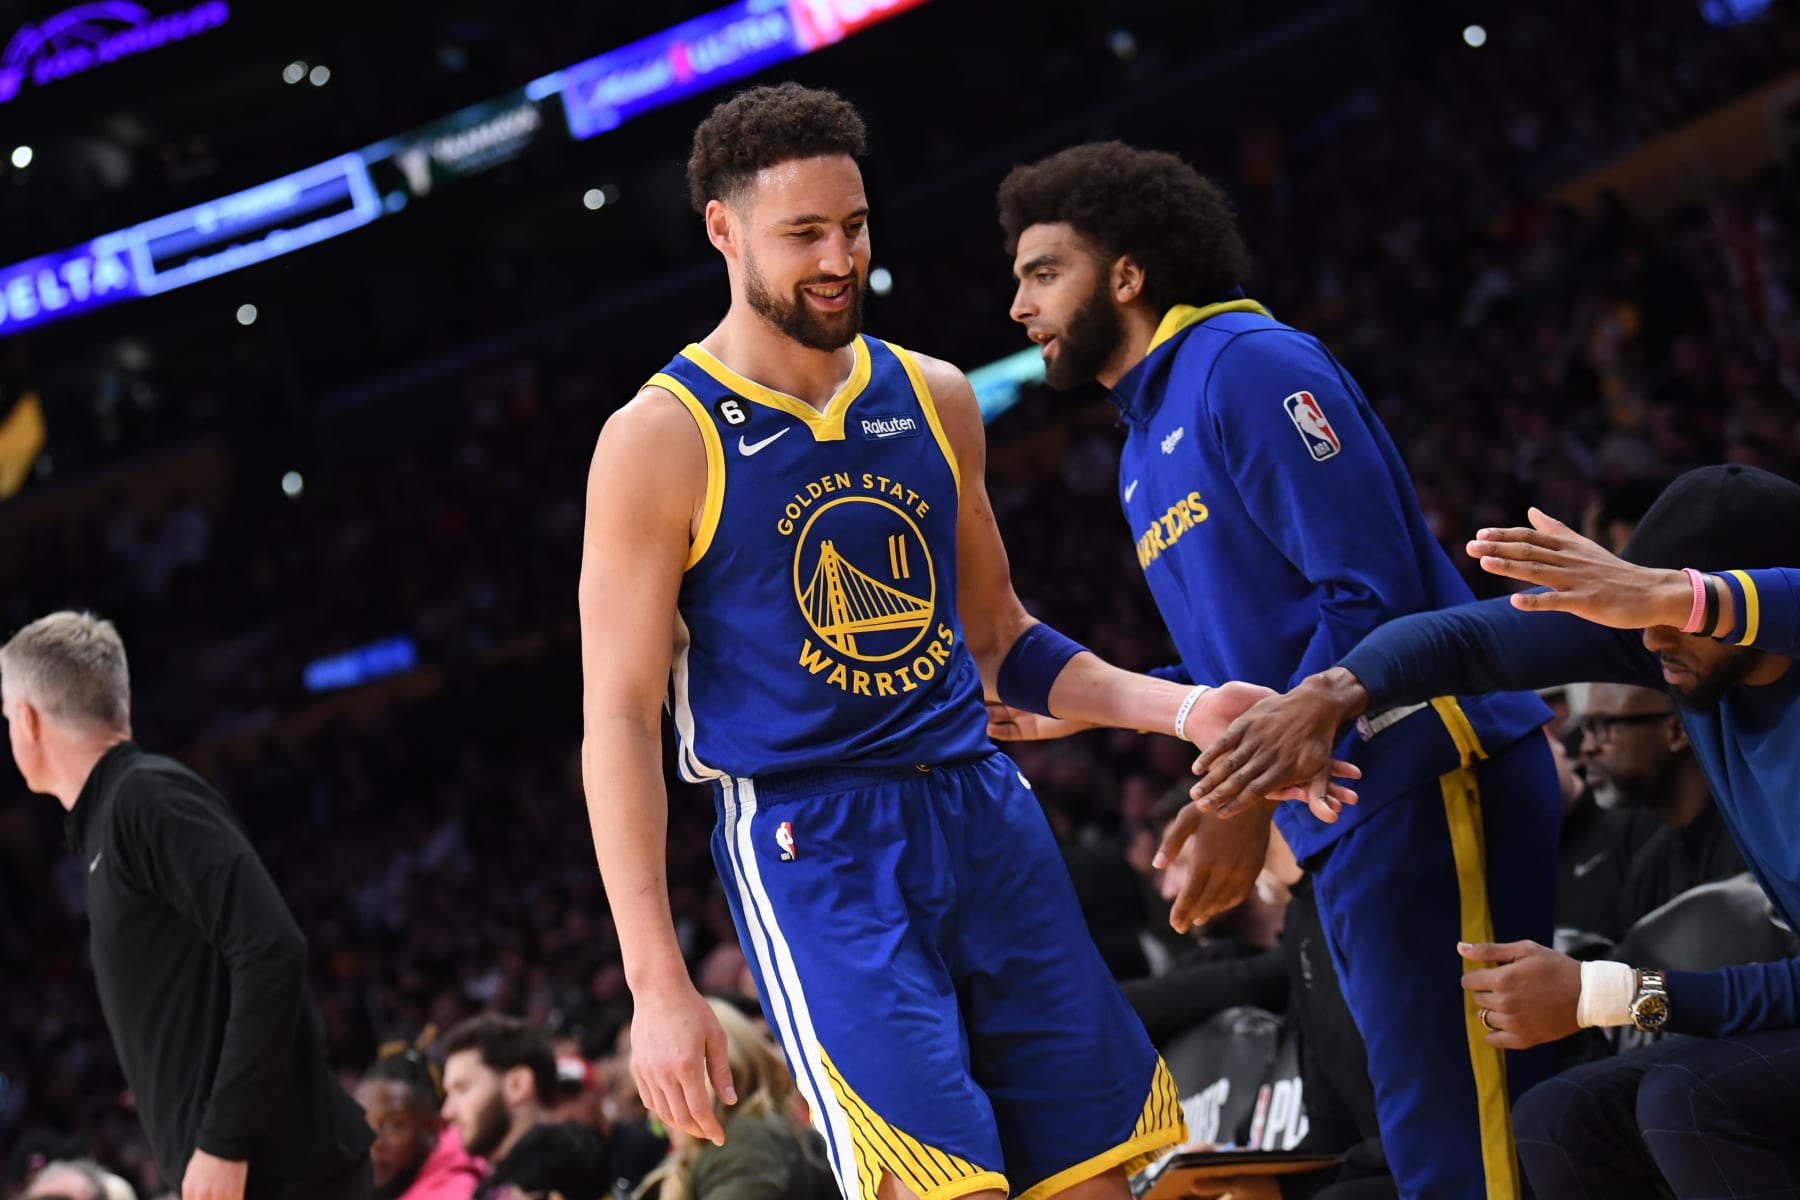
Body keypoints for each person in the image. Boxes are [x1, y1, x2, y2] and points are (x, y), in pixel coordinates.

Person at [578, 85, 1353, 1200]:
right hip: (819, 844)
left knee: (1098, 1180)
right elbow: (616, 717)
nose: (839, 257)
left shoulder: (933, 396)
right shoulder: (659, 438)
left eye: (853, 226)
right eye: (803, 235)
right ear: (722, 229)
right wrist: (656, 982)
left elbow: (1003, 644)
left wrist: (1186, 709)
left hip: (983, 811)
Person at [993, 140, 1556, 1200]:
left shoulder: (1245, 365)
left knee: (1468, 1143)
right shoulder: (1137, 440)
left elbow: (1373, 593)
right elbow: (1248, 662)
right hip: (1348, 807)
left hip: (1427, 767)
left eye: (1041, 272)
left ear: (1126, 273)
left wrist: (1246, 796)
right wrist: (1110, 708)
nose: (1017, 305)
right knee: (1447, 1136)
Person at [1187, 463, 1800, 1198]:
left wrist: (1608, 993)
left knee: (1688, 1102)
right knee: (1557, 1115)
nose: (1651, 637)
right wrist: (1330, 694)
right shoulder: (1679, 655)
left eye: (1671, 610)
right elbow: (1466, 642)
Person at [0, 611, 374, 1200]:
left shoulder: (144, 797)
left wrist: (225, 1140)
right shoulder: (111, 819)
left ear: (27, 718)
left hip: (283, 1177)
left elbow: (272, 947)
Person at [1577, 682, 1745, 928]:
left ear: (1678, 730)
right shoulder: (1647, 869)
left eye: (1604, 726)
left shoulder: (1753, 843)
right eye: (1586, 729)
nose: (1587, 748)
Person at [632, 999, 836, 1200]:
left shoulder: (748, 1137)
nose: (653, 1115)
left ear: (694, 1075)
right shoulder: (730, 1138)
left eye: (658, 1088)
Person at [355, 1044, 485, 1200]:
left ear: (432, 1127)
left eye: (392, 1125)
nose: (373, 1143)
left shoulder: (456, 1193)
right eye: (362, 1122)